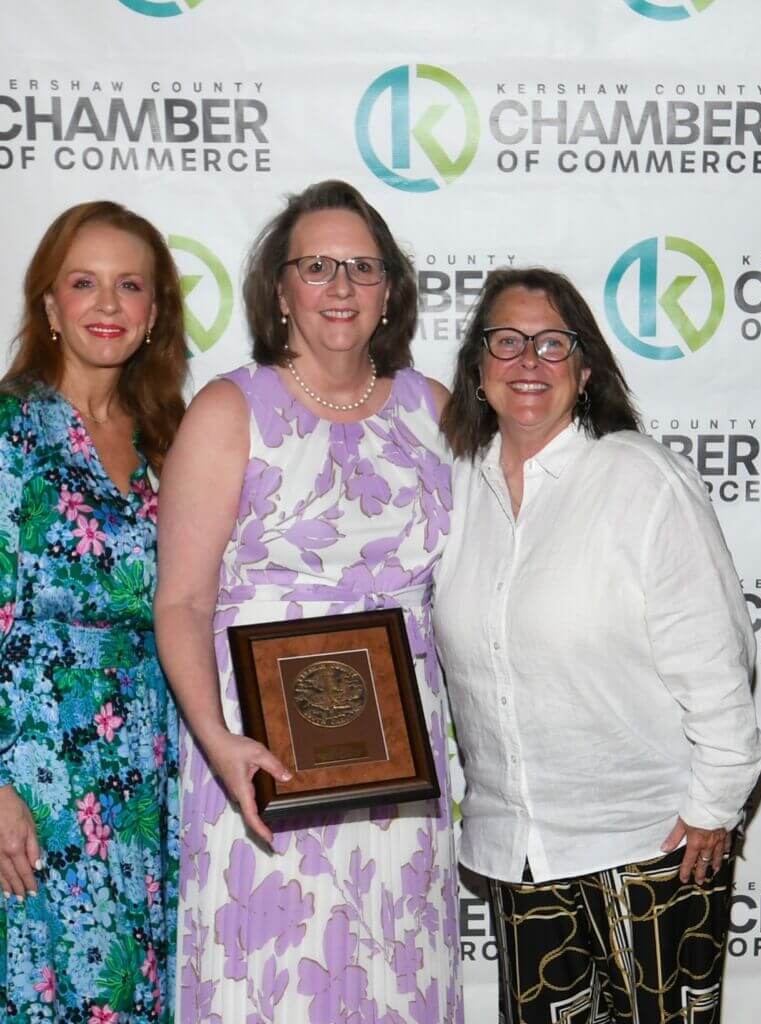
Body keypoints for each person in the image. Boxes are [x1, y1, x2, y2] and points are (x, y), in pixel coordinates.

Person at [154, 180, 463, 1023]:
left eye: (361, 268)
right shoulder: (228, 410)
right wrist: (217, 743)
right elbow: (180, 601)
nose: (339, 287)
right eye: (317, 265)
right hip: (261, 760)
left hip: (401, 760)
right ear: (280, 288)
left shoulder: (432, 408)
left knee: (398, 974)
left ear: (390, 291)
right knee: (280, 981)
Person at [434, 267, 761, 1024]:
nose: (528, 361)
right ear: (478, 369)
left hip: (652, 846)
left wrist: (715, 807)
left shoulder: (641, 481)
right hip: (520, 852)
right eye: (507, 342)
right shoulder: (453, 492)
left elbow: (720, 660)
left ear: (585, 372)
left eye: (553, 344)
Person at [0, 201, 187, 1021]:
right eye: (84, 283)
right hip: (32, 776)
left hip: (150, 772)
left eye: (129, 286)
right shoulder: (8, 432)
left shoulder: (171, 440)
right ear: (49, 307)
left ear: (153, 313)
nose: (107, 306)